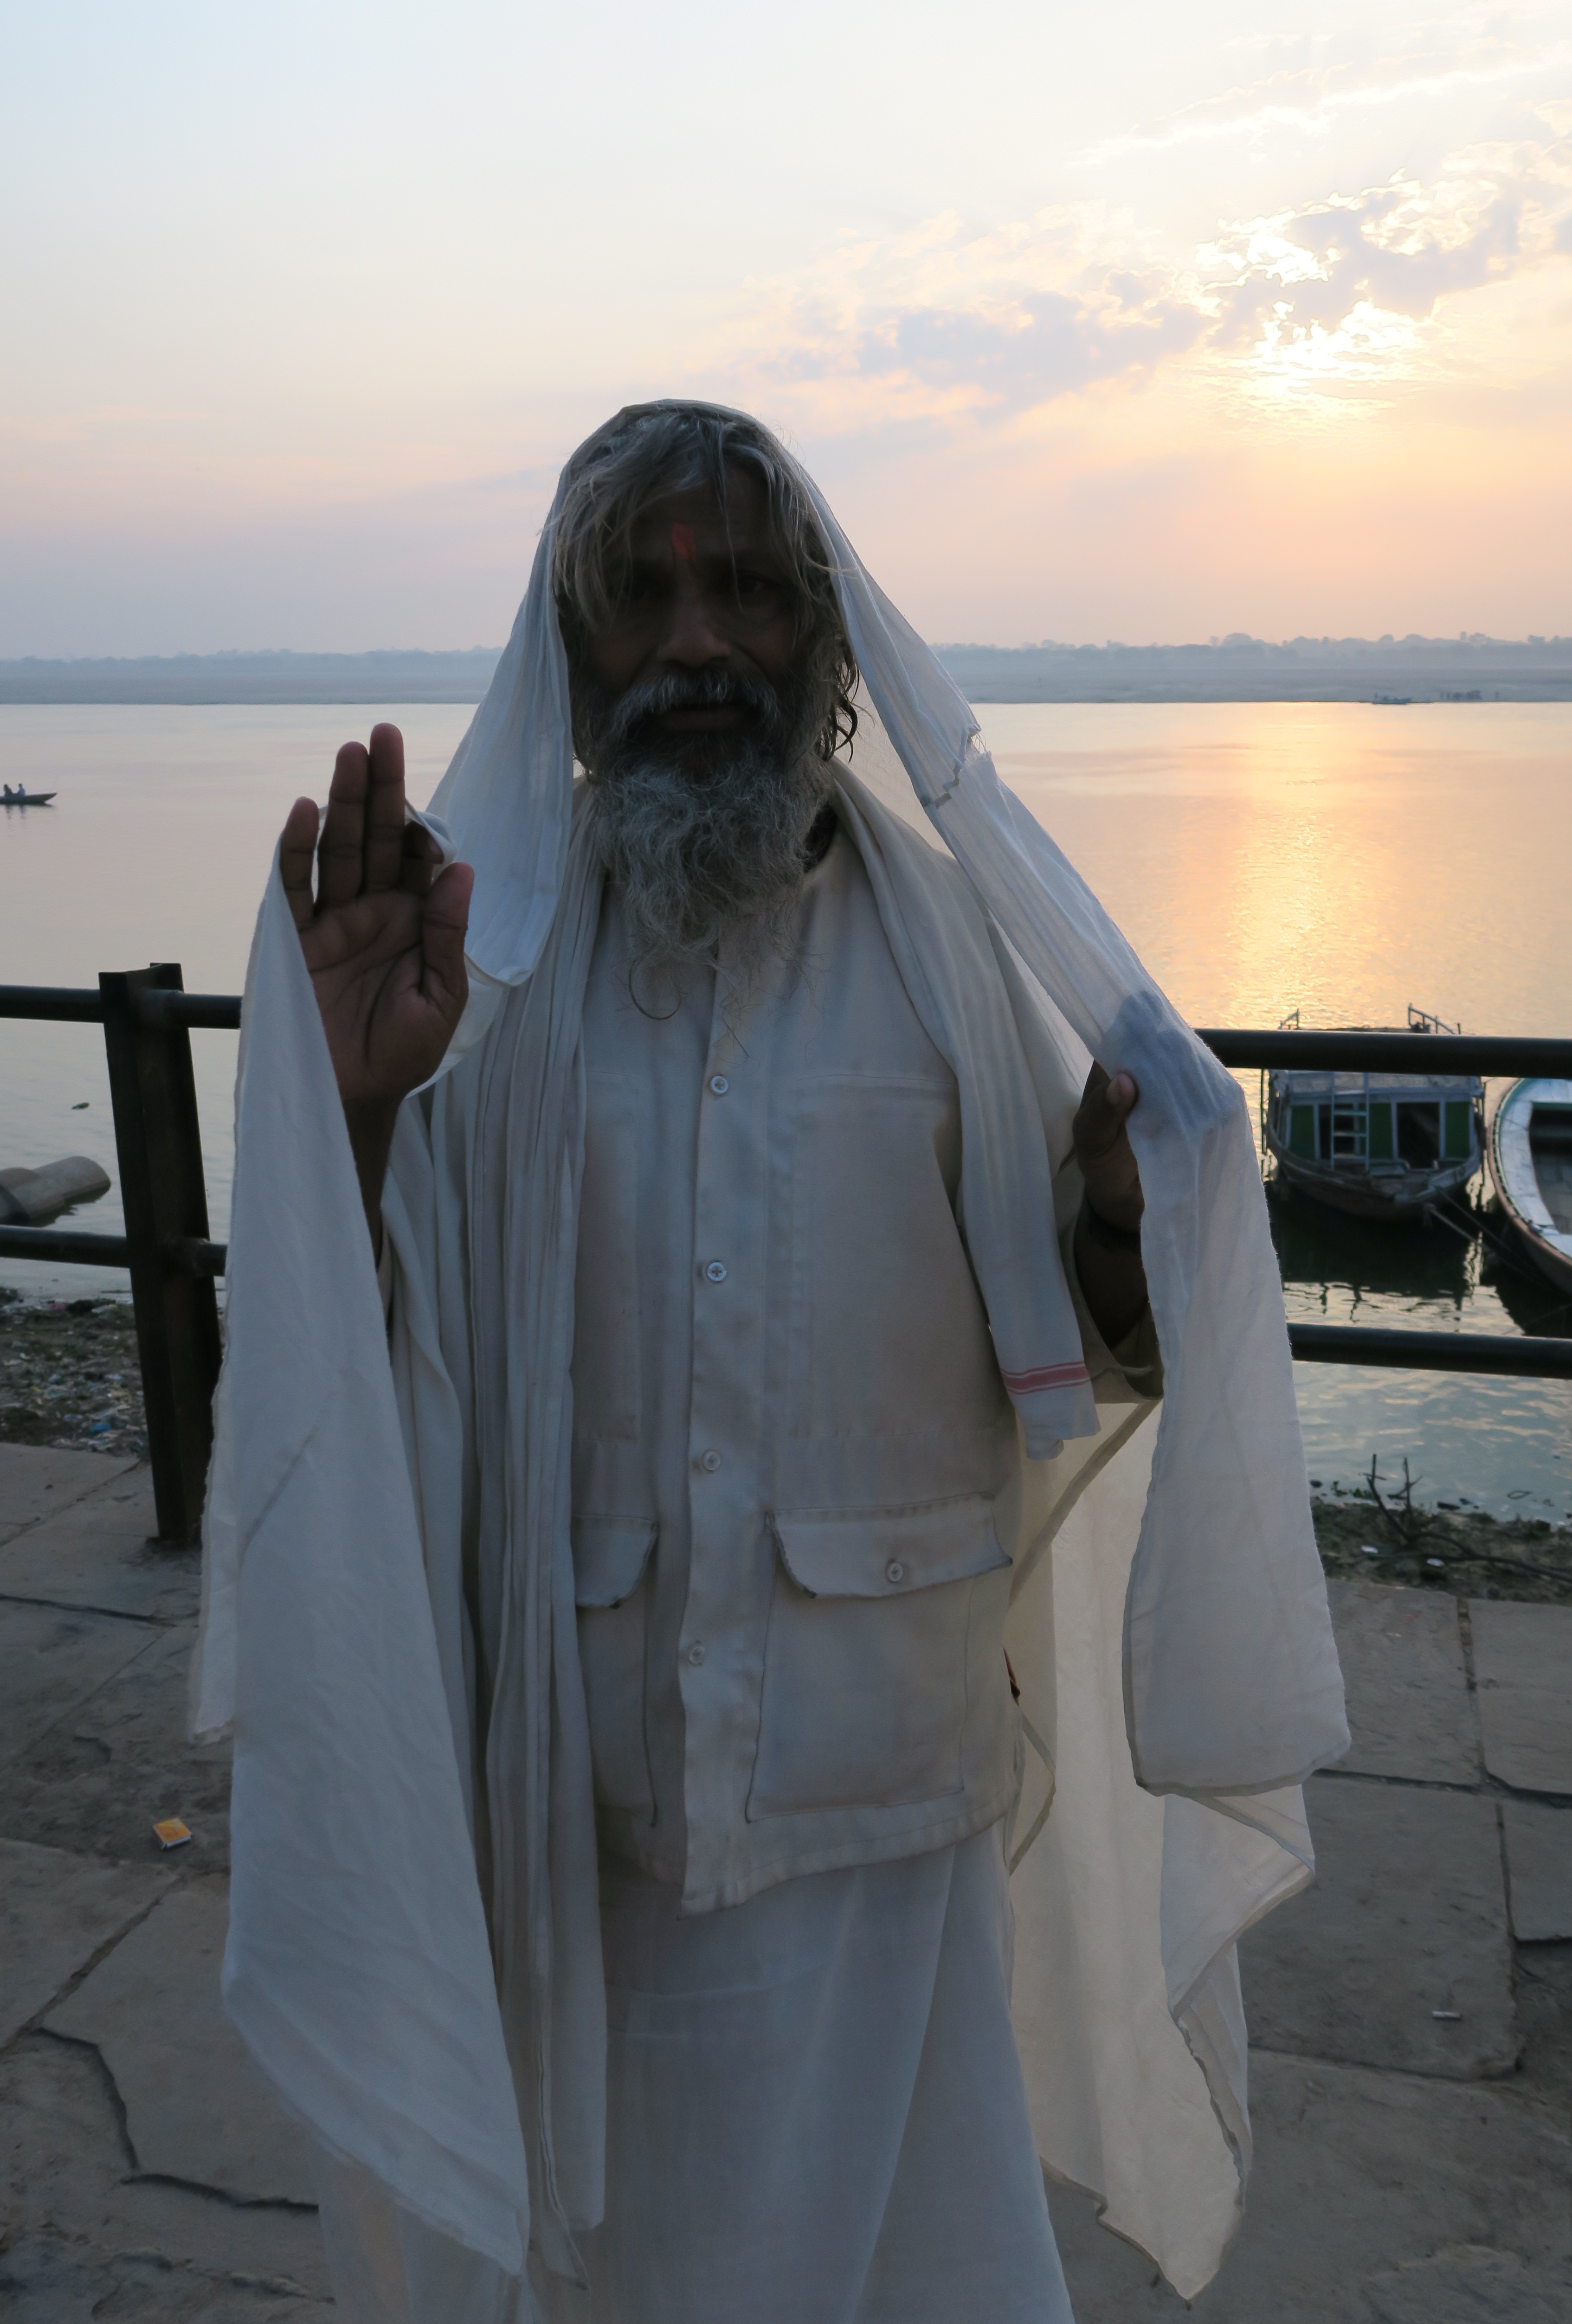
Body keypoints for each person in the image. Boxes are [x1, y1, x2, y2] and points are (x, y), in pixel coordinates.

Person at [200, 402, 1346, 2324]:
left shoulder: (951, 963)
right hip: (575, 1864)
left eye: (741, 588)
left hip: (881, 1861)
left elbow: (1065, 1354)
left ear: (820, 643)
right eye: (643, 599)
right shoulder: (478, 979)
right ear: (573, 652)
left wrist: (1114, 1239)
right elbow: (379, 1381)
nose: (699, 642)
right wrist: (356, 1119)